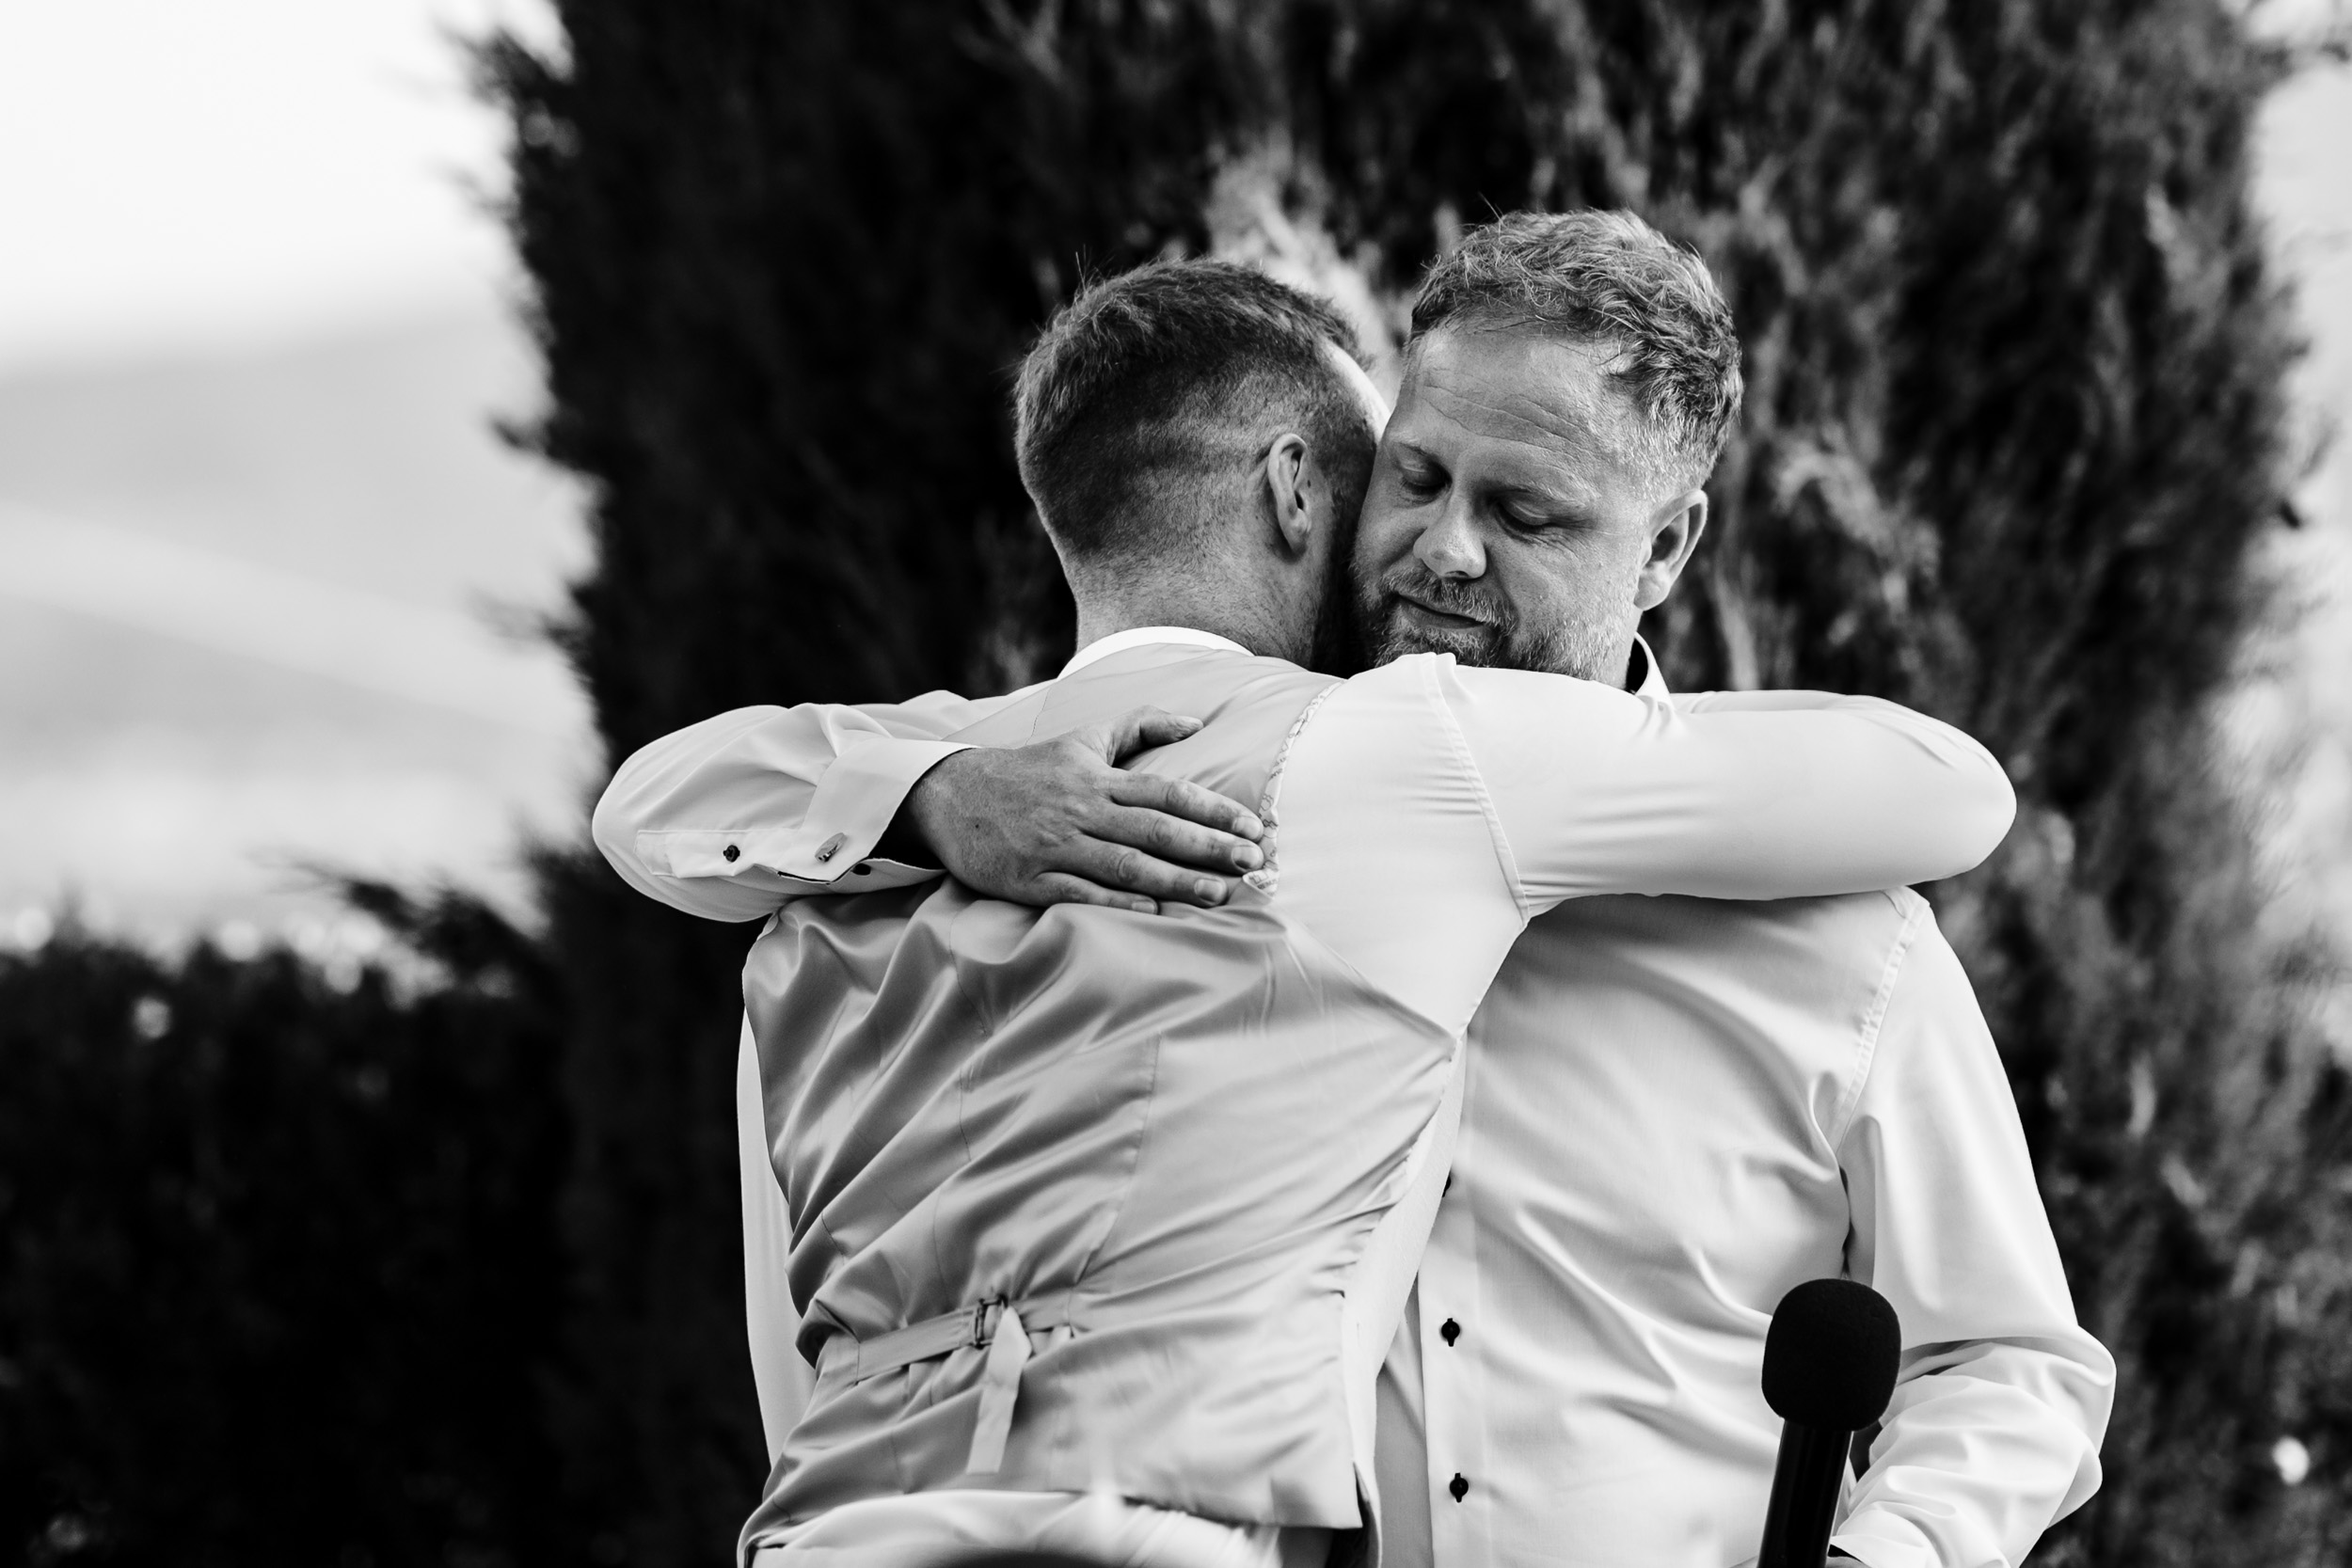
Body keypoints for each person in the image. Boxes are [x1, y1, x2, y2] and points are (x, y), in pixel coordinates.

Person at [595, 245, 2035, 1568]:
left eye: (1524, 512)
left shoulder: (1848, 941)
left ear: (1666, 549)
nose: (1443, 550)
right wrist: (932, 791)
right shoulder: (1227, 799)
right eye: (1410, 479)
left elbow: (2012, 1365)